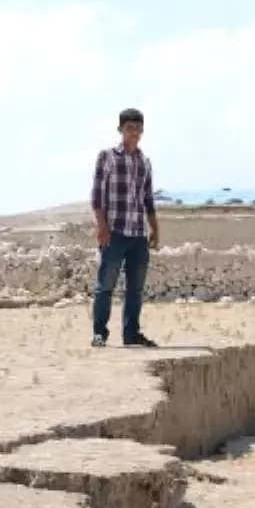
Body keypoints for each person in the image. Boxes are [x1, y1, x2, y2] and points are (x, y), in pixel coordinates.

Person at [90, 106, 160, 347]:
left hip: (138, 235)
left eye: (139, 129)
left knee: (136, 289)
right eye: (130, 128)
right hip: (114, 232)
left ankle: (131, 335)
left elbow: (148, 199)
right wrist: (101, 227)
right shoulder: (107, 157)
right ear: (121, 129)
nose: (134, 133)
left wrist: (154, 228)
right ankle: (100, 333)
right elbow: (97, 196)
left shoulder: (145, 162)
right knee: (105, 285)